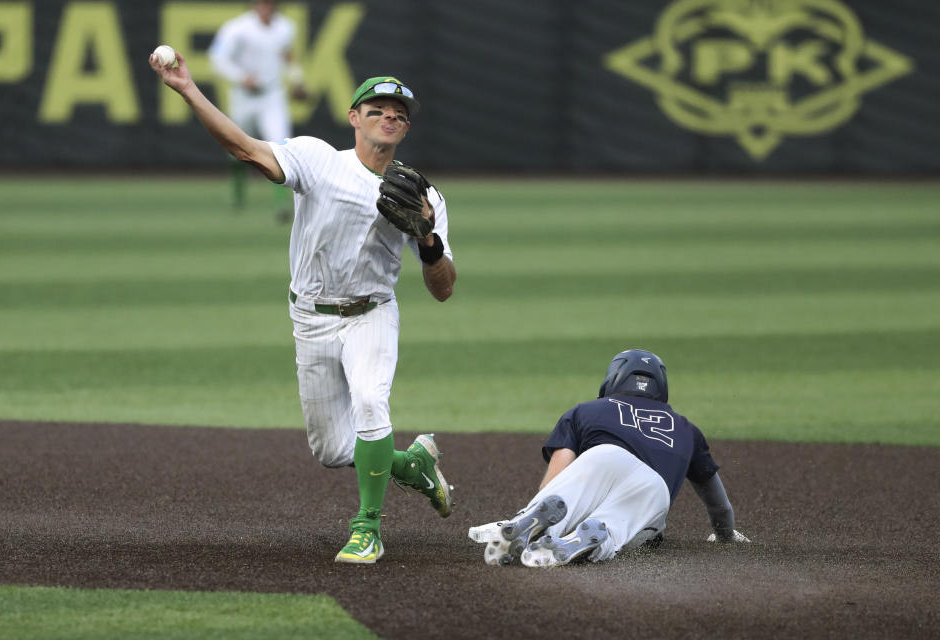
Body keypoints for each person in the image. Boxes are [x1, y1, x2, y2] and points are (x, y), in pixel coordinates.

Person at [149, 50, 457, 565]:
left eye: (400, 113)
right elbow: (244, 149)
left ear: (404, 129)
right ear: (354, 117)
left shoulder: (423, 196)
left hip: (372, 315)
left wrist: (426, 237)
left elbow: (443, 287)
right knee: (333, 451)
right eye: (378, 107)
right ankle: (414, 465)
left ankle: (368, 529)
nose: (390, 116)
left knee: (370, 404)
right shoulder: (316, 159)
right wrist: (186, 88)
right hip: (310, 317)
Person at [472, 349, 750, 567]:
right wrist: (725, 536)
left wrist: (550, 498)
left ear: (614, 377)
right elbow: (719, 506)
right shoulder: (688, 429)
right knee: (620, 530)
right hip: (653, 487)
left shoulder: (585, 411)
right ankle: (597, 535)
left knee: (560, 502)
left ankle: (529, 523)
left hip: (602, 456)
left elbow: (552, 483)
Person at [208, 0, 307, 221]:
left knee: (281, 144)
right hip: (243, 96)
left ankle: (281, 204)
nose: (266, 7)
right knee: (235, 146)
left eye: (270, 3)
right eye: (262, 3)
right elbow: (217, 58)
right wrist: (241, 77)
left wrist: (297, 81)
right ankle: (238, 193)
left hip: (272, 95)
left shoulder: (285, 27)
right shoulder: (237, 28)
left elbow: (288, 56)